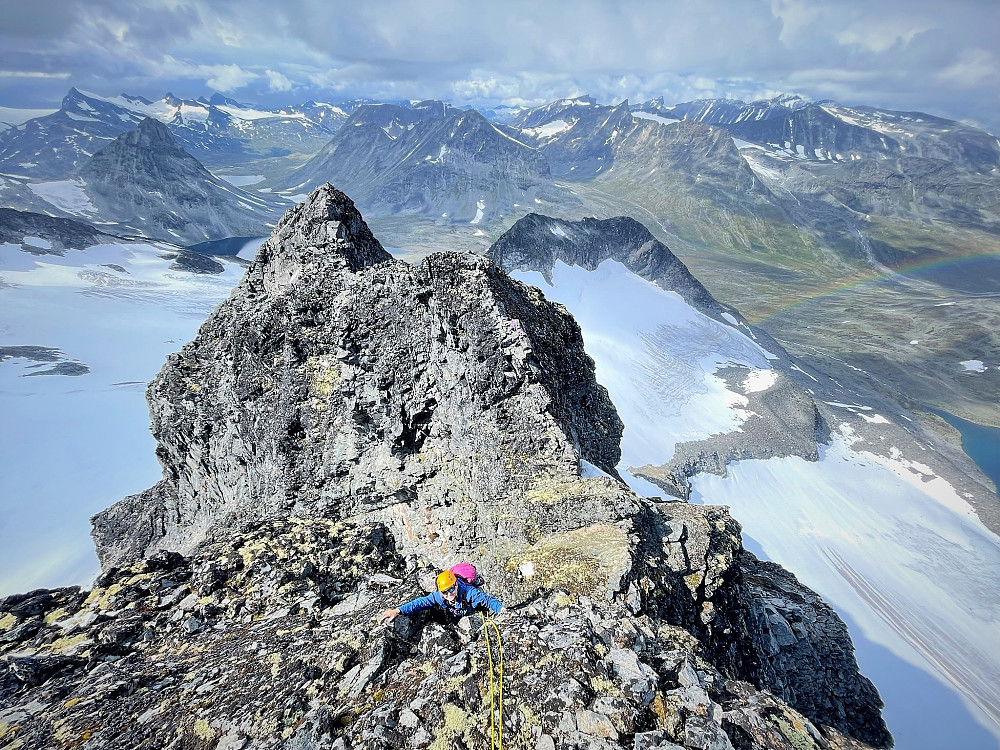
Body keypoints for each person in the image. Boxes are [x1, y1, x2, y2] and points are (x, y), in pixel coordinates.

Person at [380, 569, 503, 622]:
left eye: (451, 589)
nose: (448, 594)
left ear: (456, 585)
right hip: (456, 612)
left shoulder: (470, 593)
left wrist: (502, 610)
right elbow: (420, 603)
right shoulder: (439, 596)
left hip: (472, 609)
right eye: (445, 592)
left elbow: (488, 600)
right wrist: (398, 610)